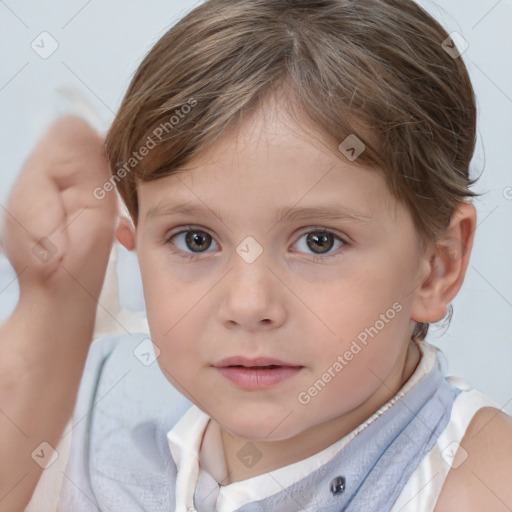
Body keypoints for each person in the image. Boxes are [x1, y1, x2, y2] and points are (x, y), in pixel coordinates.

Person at [1, 0, 512, 511]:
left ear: (437, 267)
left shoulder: (479, 483)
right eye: (195, 240)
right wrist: (51, 305)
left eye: (319, 241)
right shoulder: (86, 405)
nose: (248, 304)